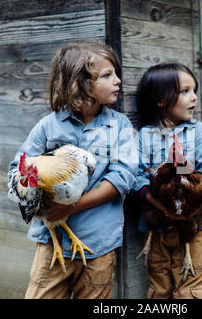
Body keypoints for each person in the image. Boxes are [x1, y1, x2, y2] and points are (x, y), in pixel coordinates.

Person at [7, 41, 137, 299]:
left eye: (116, 73)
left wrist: (70, 207)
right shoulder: (48, 126)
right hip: (50, 241)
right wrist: (30, 191)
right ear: (80, 83)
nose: (118, 81)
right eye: (107, 75)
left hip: (98, 242)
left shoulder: (120, 126)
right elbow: (17, 168)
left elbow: (123, 176)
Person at [132, 62, 202, 299]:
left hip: (193, 224)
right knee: (159, 285)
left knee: (190, 288)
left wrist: (197, 183)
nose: (193, 97)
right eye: (185, 91)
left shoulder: (199, 132)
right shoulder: (144, 137)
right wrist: (154, 200)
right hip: (156, 224)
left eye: (194, 90)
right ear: (160, 100)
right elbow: (136, 175)